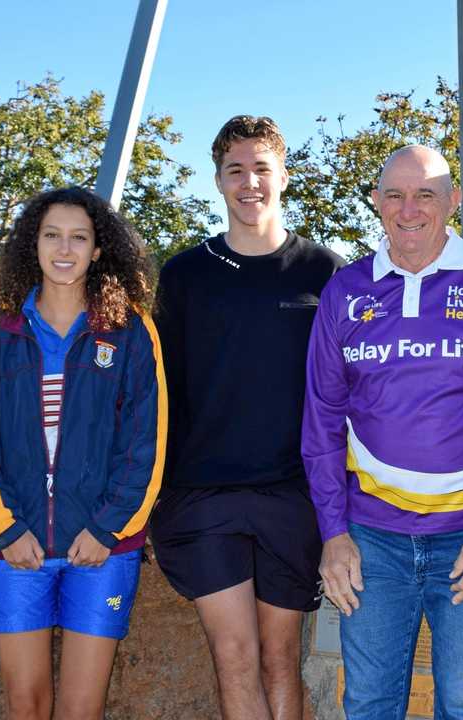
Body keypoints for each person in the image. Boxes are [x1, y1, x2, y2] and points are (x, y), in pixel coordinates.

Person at [302, 145, 463, 719]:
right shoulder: (345, 291)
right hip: (372, 542)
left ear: (453, 200)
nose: (408, 209)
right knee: (368, 704)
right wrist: (333, 533)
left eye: (425, 194)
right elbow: (321, 422)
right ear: (376, 202)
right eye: (394, 194)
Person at [149, 115, 343, 720]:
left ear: (284, 176)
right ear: (218, 180)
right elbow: (159, 390)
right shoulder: (184, 275)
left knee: (280, 656)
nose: (249, 182)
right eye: (236, 170)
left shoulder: (326, 271)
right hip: (201, 493)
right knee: (234, 655)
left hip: (294, 494)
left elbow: (347, 392)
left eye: (262, 168)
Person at [0, 186, 165, 720]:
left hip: (101, 551)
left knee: (80, 709)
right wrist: (5, 532)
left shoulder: (130, 331)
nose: (64, 249)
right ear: (34, 245)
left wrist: (107, 529)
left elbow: (147, 444)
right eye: (52, 235)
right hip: (16, 548)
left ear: (98, 250)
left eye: (79, 237)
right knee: (25, 706)